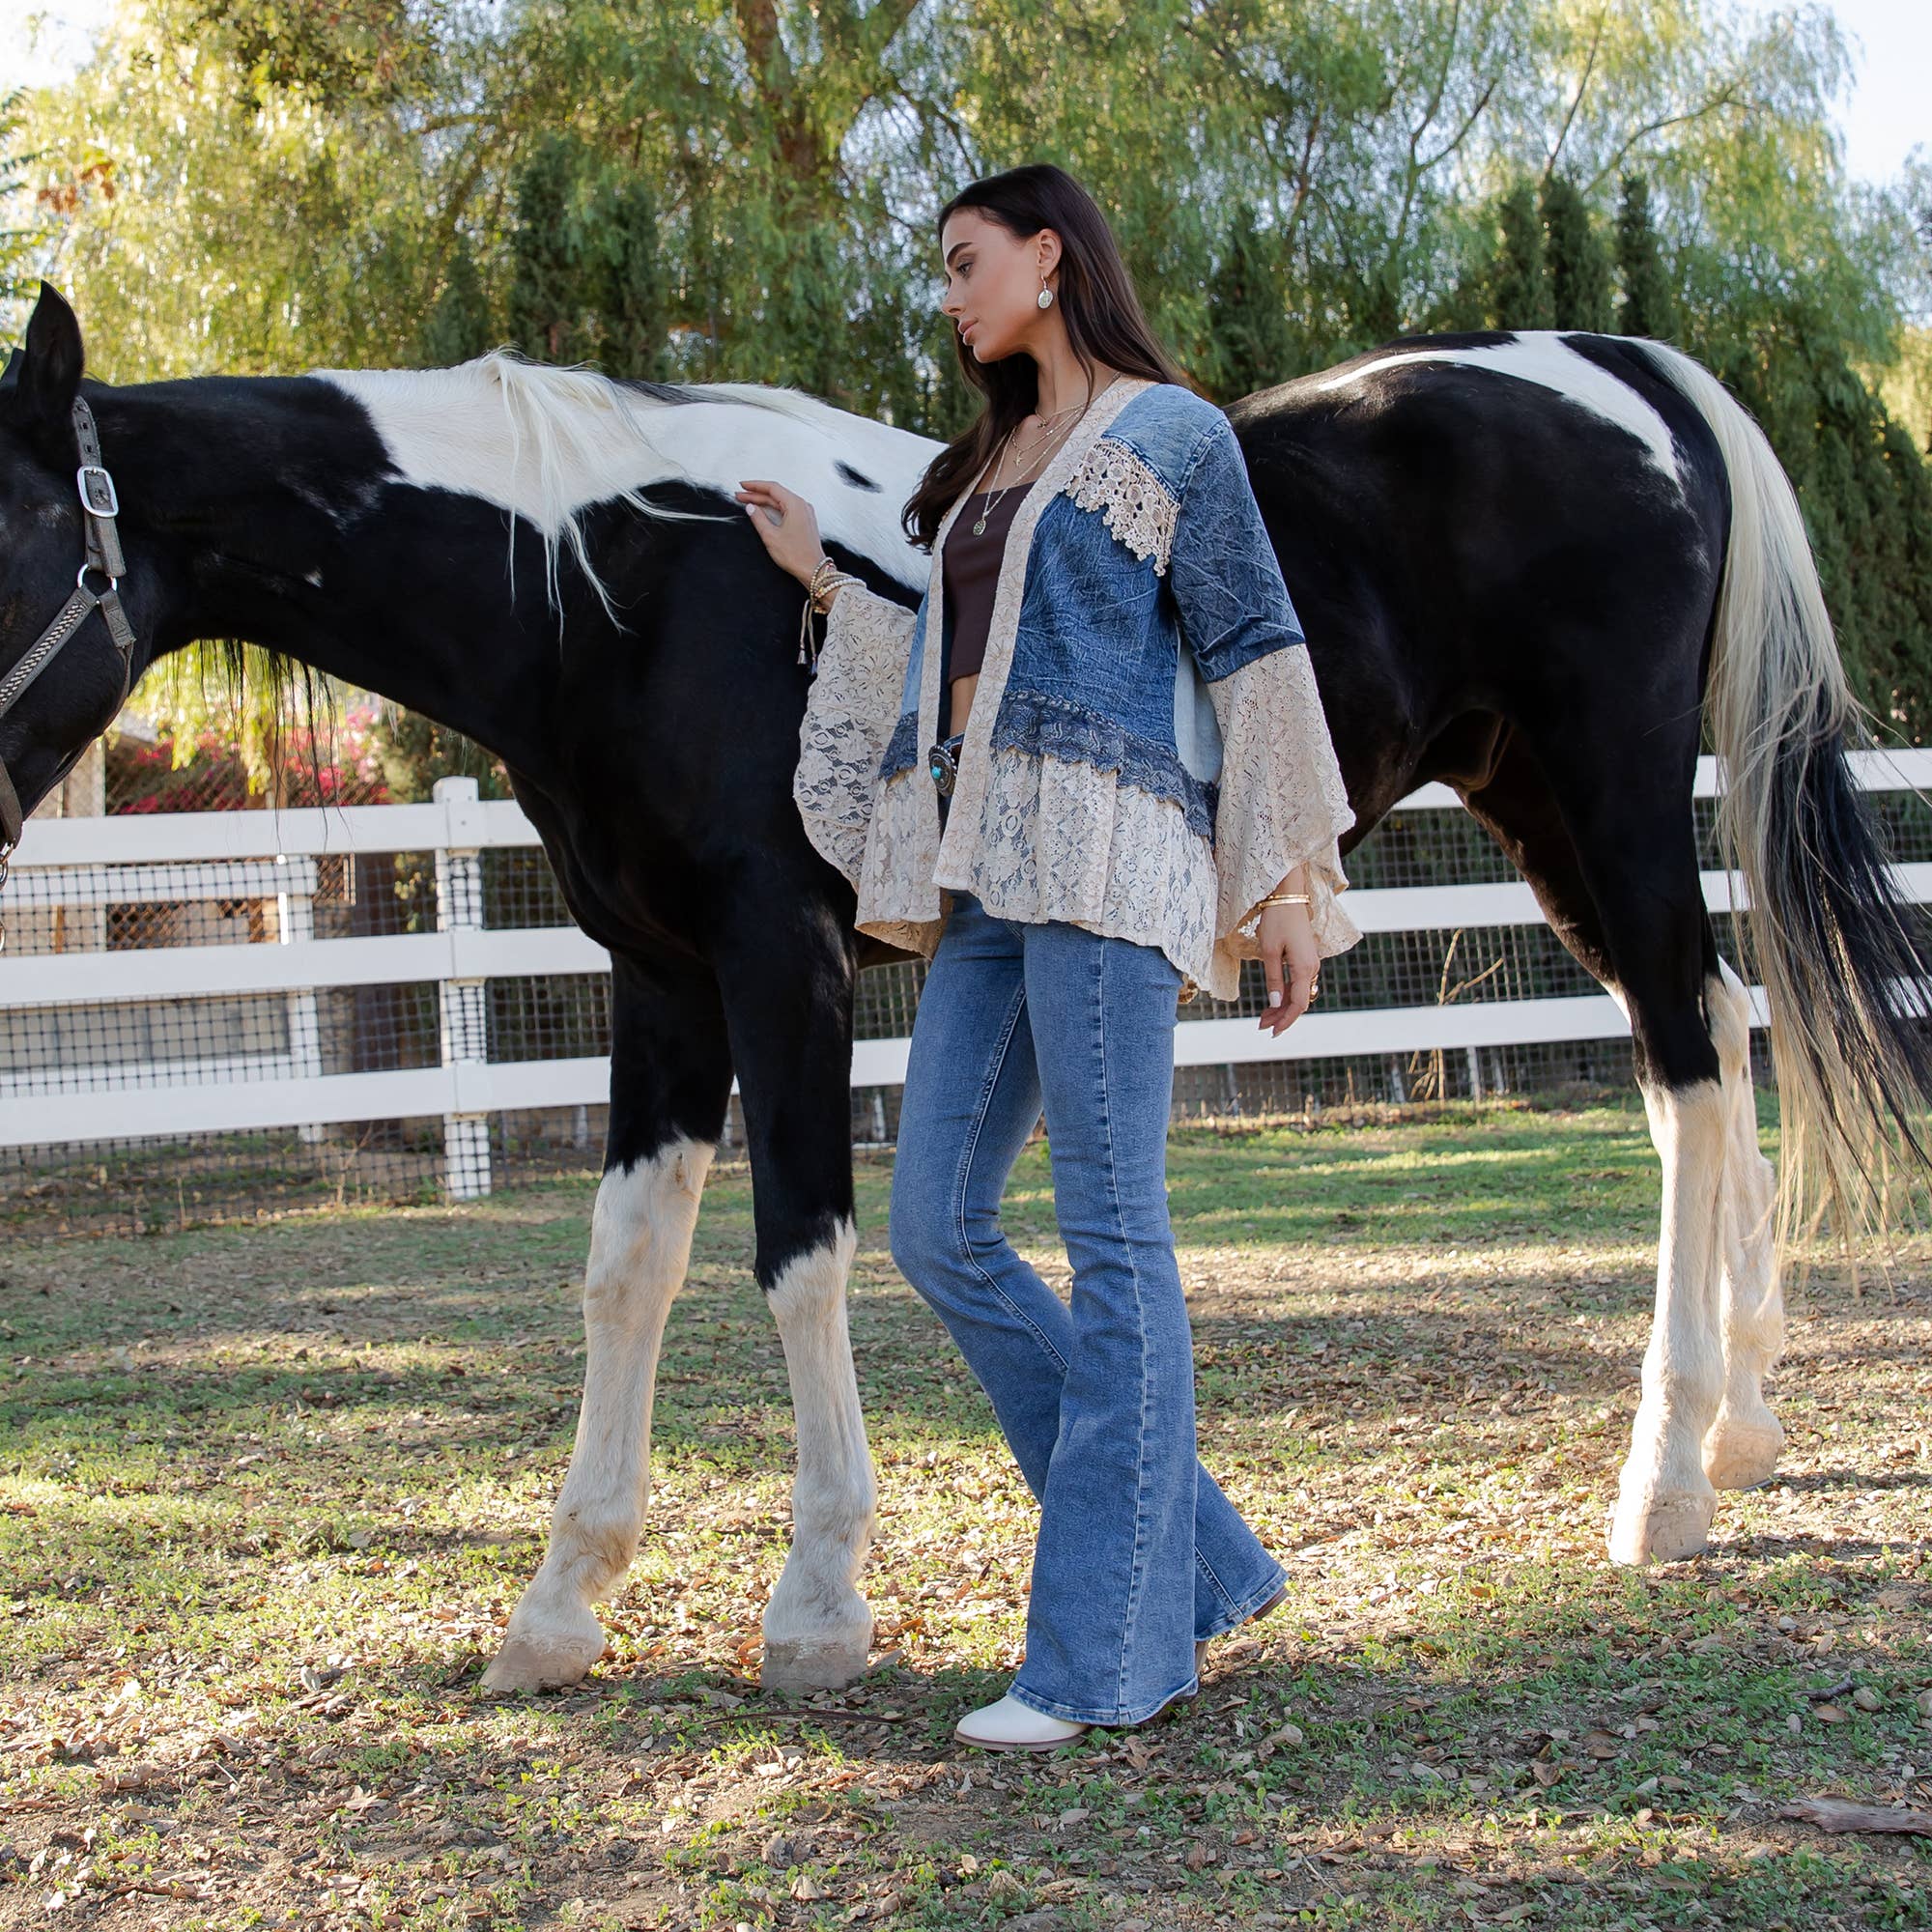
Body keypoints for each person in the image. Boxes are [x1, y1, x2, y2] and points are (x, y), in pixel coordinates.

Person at [735, 163, 1360, 1751]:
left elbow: (1253, 644)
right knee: (938, 1226)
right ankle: (1191, 1558)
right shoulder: (991, 460)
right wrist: (823, 580)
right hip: (987, 870)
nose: (950, 296)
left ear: (1049, 258)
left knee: (1115, 1240)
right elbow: (960, 655)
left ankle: (1100, 1661)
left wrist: (1290, 878)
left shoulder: (1174, 437)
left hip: (1106, 860)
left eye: (966, 263)